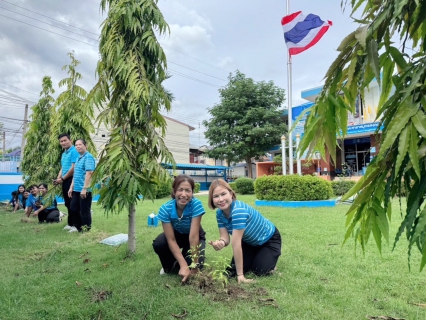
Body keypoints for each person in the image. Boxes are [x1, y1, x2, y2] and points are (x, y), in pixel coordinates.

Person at [208, 179, 282, 284]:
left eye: (223, 194)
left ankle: (269, 260)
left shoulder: (238, 211)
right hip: (249, 242)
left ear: (231, 194)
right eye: (216, 196)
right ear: (212, 199)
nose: (220, 199)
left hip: (269, 240)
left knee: (261, 271)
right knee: (232, 270)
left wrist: (240, 275)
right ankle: (256, 257)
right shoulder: (219, 214)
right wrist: (221, 242)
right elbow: (225, 238)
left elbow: (236, 243)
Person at [152, 174, 206, 283]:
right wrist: (183, 265)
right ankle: (171, 264)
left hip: (194, 235)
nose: (184, 194)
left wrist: (194, 266)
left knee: (193, 266)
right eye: (180, 190)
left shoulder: (196, 205)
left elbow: (194, 236)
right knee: (159, 243)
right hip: (176, 235)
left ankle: (186, 260)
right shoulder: (165, 209)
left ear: (192, 192)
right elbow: (171, 239)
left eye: (188, 190)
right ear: (174, 191)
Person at [68, 139, 96, 233]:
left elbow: (89, 173)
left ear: (85, 146)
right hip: (76, 189)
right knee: (73, 208)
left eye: (80, 145)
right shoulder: (78, 157)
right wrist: (71, 187)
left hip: (84, 189)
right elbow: (75, 174)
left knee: (84, 211)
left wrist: (85, 188)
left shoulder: (88, 157)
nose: (78, 146)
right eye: (76, 145)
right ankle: (79, 227)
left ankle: (86, 230)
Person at [53, 133, 79, 231]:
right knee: (68, 203)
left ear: (70, 140)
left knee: (73, 204)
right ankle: (70, 223)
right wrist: (58, 179)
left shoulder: (74, 151)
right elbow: (63, 167)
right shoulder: (64, 154)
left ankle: (77, 225)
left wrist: (62, 179)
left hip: (72, 180)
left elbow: (73, 168)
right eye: (61, 141)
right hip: (64, 180)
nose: (63, 143)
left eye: (65, 140)